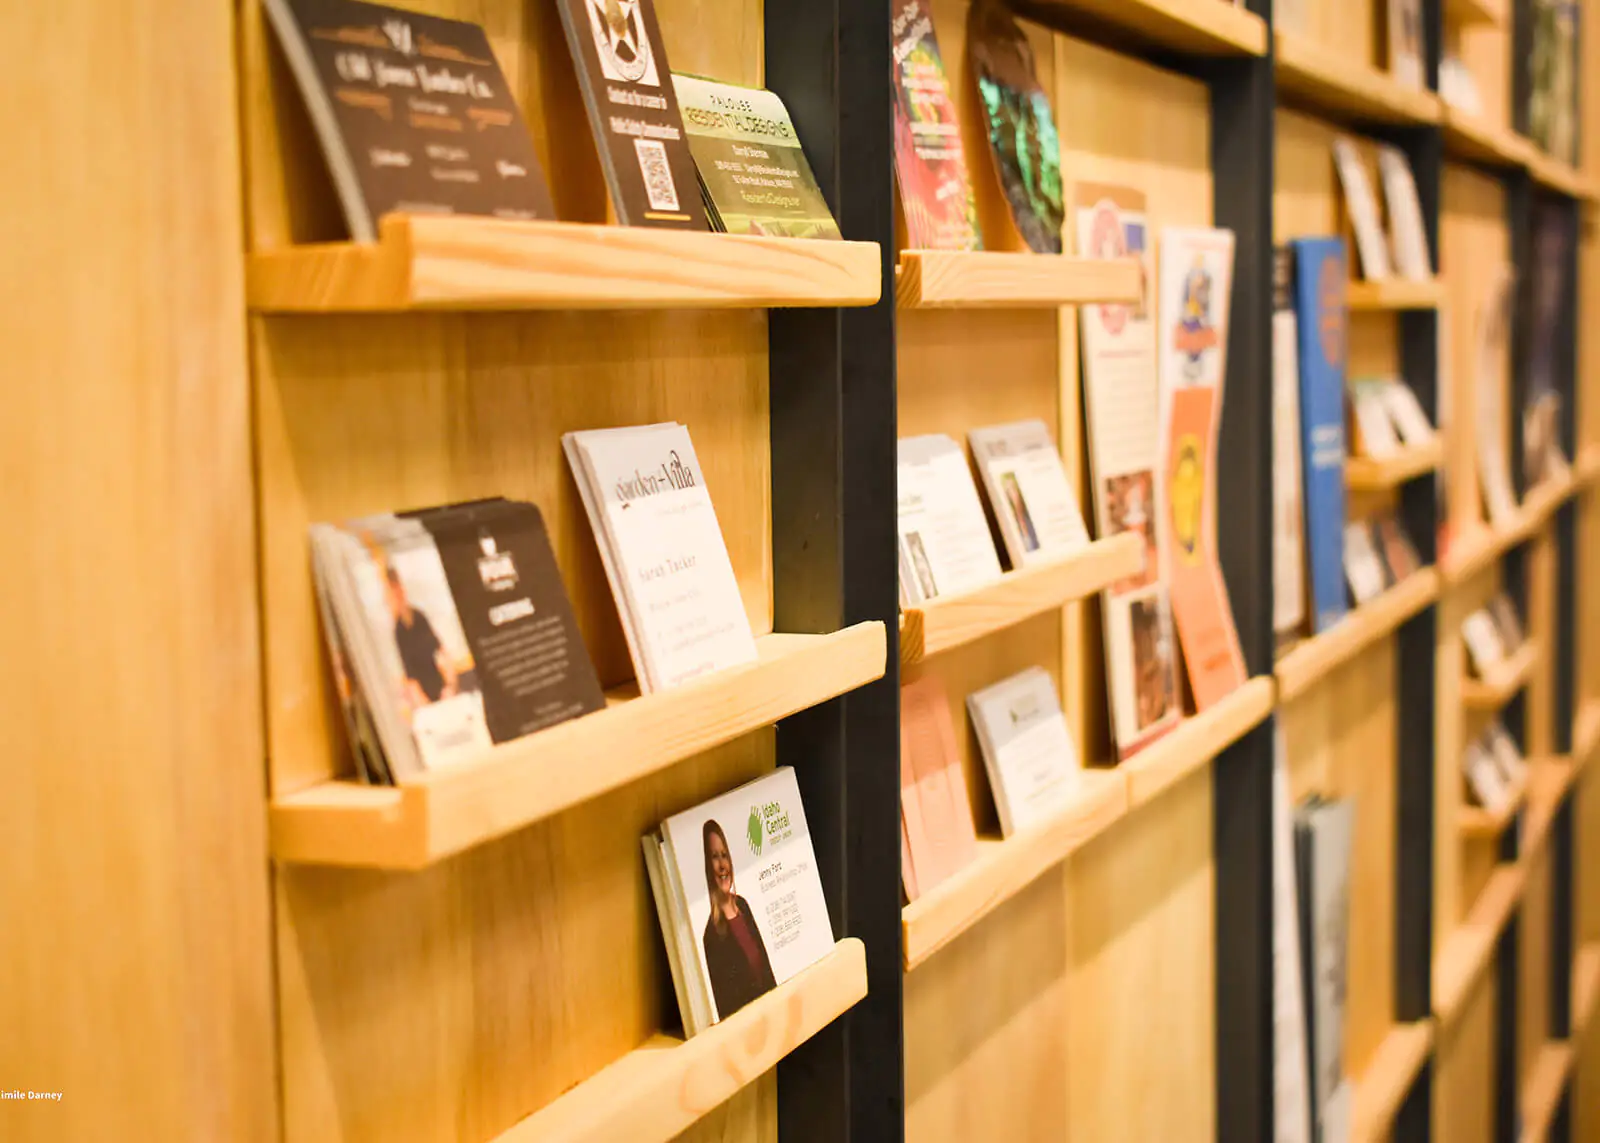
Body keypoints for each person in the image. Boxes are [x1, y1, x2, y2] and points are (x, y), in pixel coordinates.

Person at [700, 819, 775, 1020]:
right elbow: (727, 1010)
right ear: (707, 866)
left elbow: (767, 969)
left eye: (724, 855)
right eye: (715, 857)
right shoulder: (712, 935)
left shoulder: (742, 905)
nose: (723, 865)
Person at [385, 565, 457, 711]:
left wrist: (450, 686)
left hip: (443, 689)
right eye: (392, 592)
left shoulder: (419, 617)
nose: (397, 595)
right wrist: (423, 703)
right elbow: (410, 676)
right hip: (425, 700)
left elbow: (442, 653)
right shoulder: (398, 632)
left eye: (398, 589)